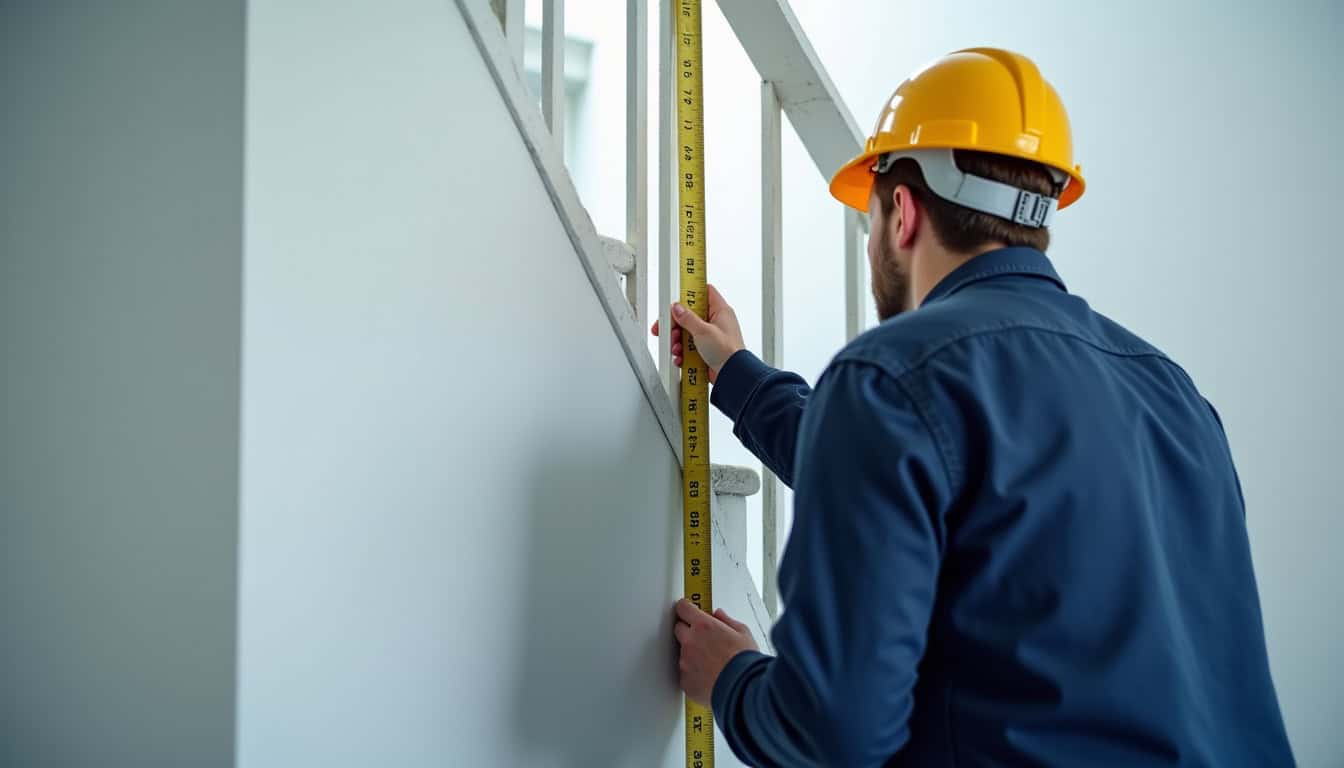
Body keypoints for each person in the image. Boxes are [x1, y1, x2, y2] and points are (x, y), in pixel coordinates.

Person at [655, 48, 1293, 766]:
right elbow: (920, 481)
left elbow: (832, 732)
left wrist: (734, 681)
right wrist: (738, 375)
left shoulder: (889, 377)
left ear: (901, 212)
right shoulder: (1173, 395)